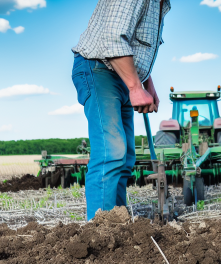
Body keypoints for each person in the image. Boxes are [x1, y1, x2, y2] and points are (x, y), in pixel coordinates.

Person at [71, 0, 171, 220]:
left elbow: (133, 47)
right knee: (111, 152)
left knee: (125, 156)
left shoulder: (160, 4)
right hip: (99, 70)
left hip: (122, 75)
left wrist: (145, 83)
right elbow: (113, 38)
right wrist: (135, 86)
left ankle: (116, 225)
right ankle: (100, 232)